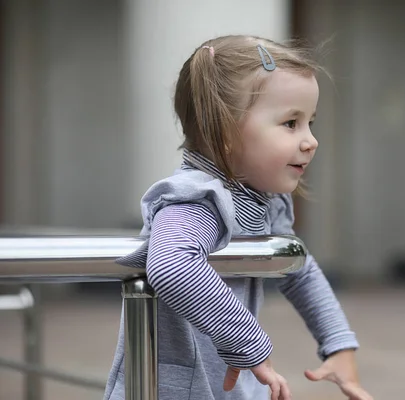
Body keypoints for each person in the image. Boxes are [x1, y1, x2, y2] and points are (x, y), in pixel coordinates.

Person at [103, 35, 373, 400]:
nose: (311, 140)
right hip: (174, 389)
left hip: (232, 385)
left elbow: (298, 268)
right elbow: (172, 264)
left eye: (311, 122)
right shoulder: (197, 199)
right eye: (291, 123)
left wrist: (338, 342)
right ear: (226, 130)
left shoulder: (266, 200)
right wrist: (250, 342)